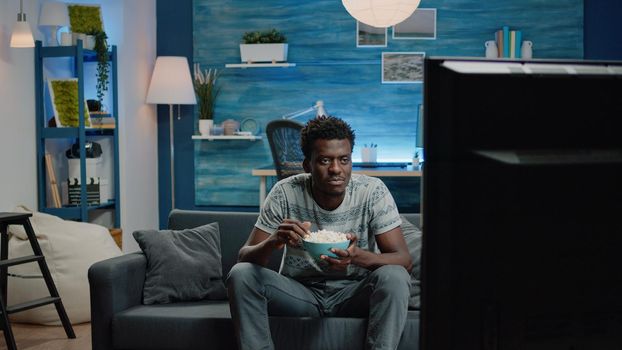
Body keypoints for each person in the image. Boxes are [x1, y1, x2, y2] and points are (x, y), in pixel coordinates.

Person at [226, 116, 412, 350]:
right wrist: (274, 241)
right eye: (325, 160)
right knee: (241, 273)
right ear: (307, 165)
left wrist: (357, 257)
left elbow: (403, 261)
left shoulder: (372, 192)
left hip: (355, 292)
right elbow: (244, 257)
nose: (336, 169)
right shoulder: (285, 192)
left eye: (344, 160)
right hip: (299, 294)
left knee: (395, 276)